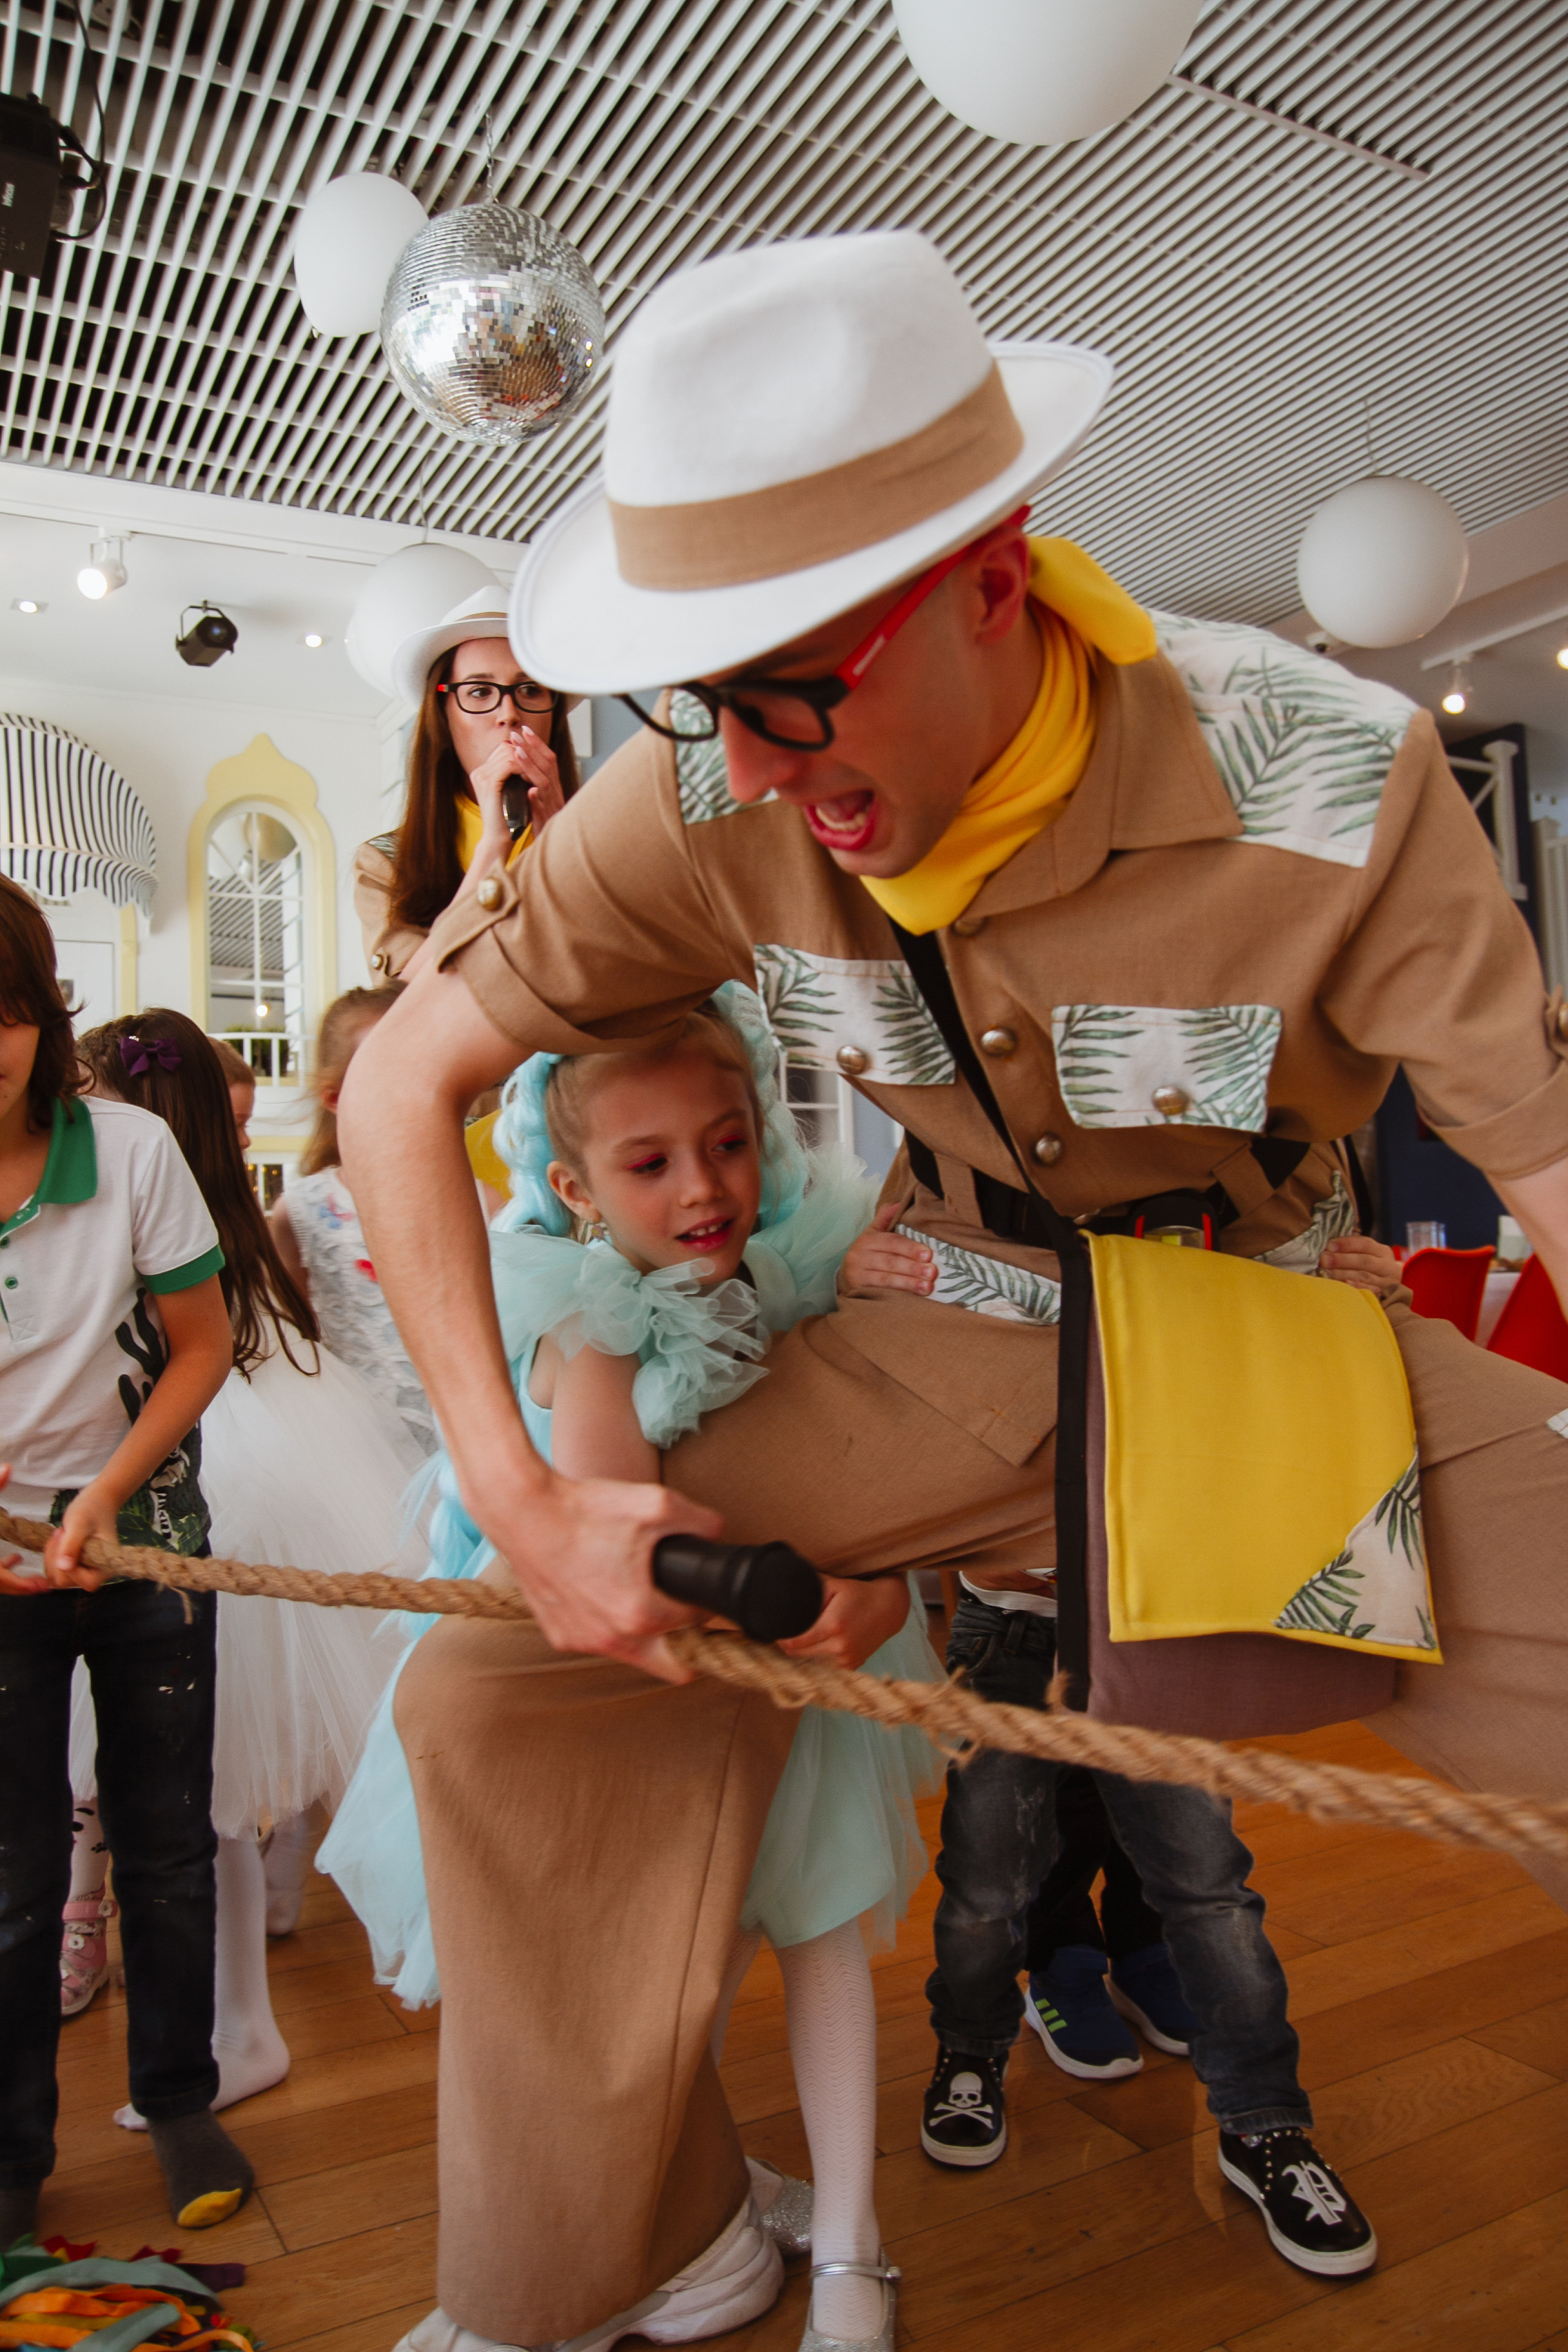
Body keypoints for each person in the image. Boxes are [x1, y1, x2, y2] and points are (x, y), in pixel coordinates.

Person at [338, 232, 1568, 2340]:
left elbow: (1544, 1160)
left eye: (803, 676)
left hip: (1282, 1353)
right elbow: (401, 1086)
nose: (759, 752)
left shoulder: (1333, 771)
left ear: (996, 581)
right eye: (706, 692)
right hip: (944, 1316)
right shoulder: (714, 776)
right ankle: (625, 2246)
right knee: (494, 1692)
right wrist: (526, 1502)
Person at [324, 986, 941, 2346]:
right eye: (650, 1164)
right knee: (671, 1957)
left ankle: (848, 2243)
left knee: (825, 1927)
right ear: (575, 1186)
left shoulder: (805, 1263)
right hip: (653, 1684)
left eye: (728, 1144)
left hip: (807, 1653)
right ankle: (669, 2220)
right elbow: (610, 1499)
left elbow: (899, 1448)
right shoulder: (584, 1318)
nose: (705, 1187)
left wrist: (845, 1297)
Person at [66, 1011, 424, 2116]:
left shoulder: (155, 1219)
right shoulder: (221, 1223)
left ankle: (241, 2027)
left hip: (225, 1492)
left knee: (199, 1781)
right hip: (253, 1463)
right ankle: (236, 2006)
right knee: (202, 1784)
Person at [0, 882, 246, 2242]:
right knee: (15, 1868)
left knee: (163, 1841)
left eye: (8, 1008)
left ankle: (179, 2095)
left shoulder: (136, 1148)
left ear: (44, 1010)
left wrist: (99, 1497)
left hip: (140, 1527)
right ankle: (12, 2157)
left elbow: (201, 1345)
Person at [352, 589, 581, 986]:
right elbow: (401, 1004)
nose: (509, 713)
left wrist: (559, 846)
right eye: (479, 692)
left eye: (529, 690)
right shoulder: (384, 864)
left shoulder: (608, 838)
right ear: (443, 715)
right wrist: (493, 847)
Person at [268, 986, 437, 1457]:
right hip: (357, 1443)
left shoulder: (478, 1201)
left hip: (454, 1433)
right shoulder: (302, 1210)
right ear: (335, 1096)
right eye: (386, 1074)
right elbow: (295, 1338)